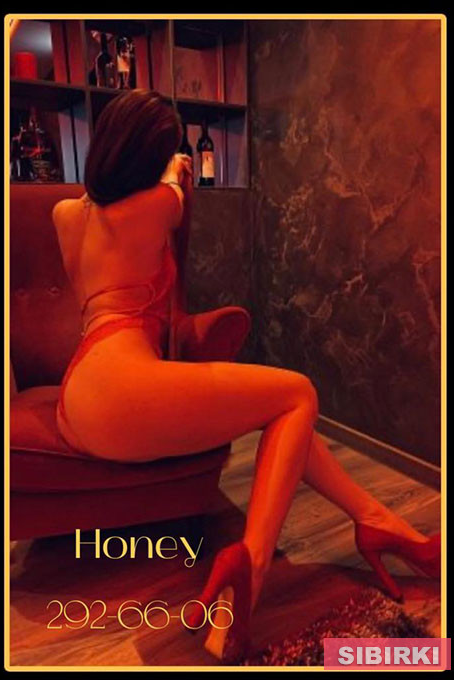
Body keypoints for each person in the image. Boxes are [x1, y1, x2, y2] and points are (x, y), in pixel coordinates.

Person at [52, 89, 440, 663]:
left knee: (283, 415)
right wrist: (175, 167)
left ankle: (377, 521)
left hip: (79, 392)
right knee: (298, 392)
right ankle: (250, 573)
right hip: (123, 389)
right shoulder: (158, 204)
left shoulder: (63, 214)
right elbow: (178, 189)